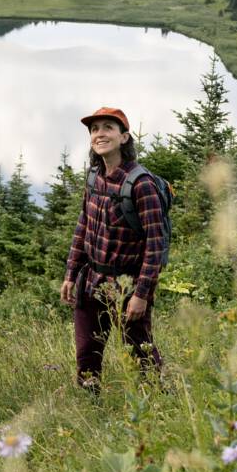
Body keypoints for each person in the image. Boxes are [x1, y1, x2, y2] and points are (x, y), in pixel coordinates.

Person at [60, 106, 168, 388]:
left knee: (140, 351)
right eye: (94, 129)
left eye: (108, 127)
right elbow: (83, 226)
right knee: (87, 355)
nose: (99, 134)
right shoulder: (94, 177)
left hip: (127, 285)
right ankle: (90, 411)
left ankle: (162, 403)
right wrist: (71, 273)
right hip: (91, 280)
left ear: (124, 137)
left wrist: (141, 295)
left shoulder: (140, 184)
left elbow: (155, 246)